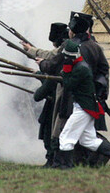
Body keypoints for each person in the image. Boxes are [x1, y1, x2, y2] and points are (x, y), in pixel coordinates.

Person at [53, 40, 110, 169]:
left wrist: (65, 72)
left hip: (83, 108)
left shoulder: (81, 69)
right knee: (87, 140)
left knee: (66, 136)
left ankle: (66, 165)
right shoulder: (80, 66)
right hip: (84, 106)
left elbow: (68, 85)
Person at [26, 22, 70, 166]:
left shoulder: (63, 53)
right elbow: (50, 61)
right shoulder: (65, 51)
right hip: (62, 97)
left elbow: (50, 74)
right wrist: (39, 72)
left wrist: (42, 71)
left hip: (59, 99)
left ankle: (53, 159)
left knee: (51, 131)